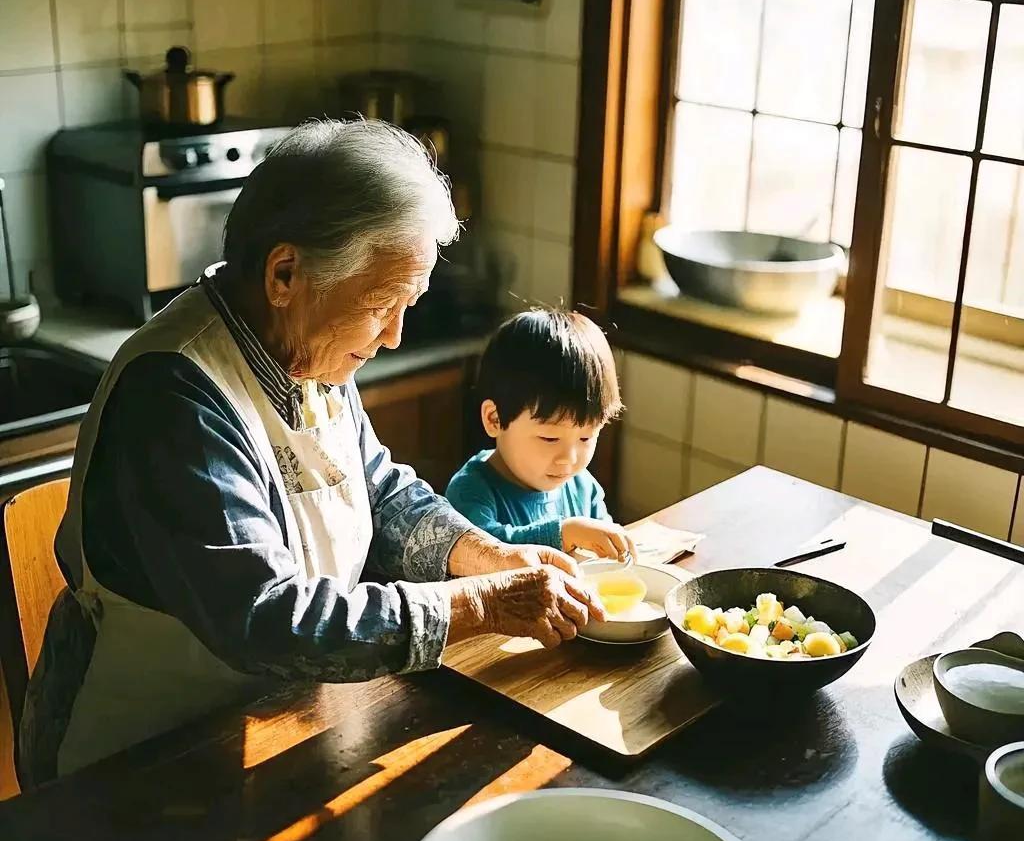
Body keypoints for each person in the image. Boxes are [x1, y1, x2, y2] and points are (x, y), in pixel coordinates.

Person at [20, 120, 603, 787]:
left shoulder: (304, 350)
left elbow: (377, 489)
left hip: (272, 726)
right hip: (137, 761)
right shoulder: (176, 394)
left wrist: (486, 555)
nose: (393, 337)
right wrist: (480, 604)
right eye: (383, 305)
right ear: (285, 273)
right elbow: (266, 616)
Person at [446, 310, 636, 562]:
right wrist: (563, 534)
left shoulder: (582, 487)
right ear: (495, 419)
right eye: (550, 438)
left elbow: (604, 555)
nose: (568, 459)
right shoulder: (470, 490)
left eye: (586, 438)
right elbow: (484, 553)